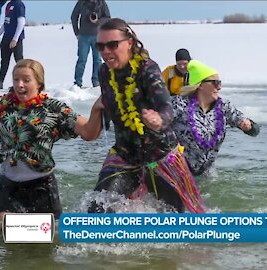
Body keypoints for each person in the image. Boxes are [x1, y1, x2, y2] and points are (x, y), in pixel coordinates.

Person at [88, 18, 205, 214]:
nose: (106, 51)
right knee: (97, 209)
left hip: (161, 156)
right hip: (125, 156)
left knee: (175, 216)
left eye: (112, 45)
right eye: (100, 46)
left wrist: (159, 120)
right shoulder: (104, 72)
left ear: (129, 43)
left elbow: (166, 107)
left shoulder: (147, 69)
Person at [0, 59, 104, 223]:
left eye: (26, 80)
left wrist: (97, 110)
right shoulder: (6, 105)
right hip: (7, 184)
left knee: (43, 238)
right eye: (16, 79)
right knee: (1, 224)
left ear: (39, 82)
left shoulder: (53, 109)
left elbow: (88, 133)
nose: (20, 85)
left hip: (41, 186)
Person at [171, 60, 260, 176]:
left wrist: (248, 126)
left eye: (220, 83)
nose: (219, 87)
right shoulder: (179, 104)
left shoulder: (224, 107)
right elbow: (156, 127)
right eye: (215, 83)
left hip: (208, 174)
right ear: (201, 85)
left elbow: (255, 132)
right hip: (178, 173)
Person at [71, 0, 110, 88]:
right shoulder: (82, 2)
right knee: (82, 60)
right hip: (83, 36)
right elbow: (74, 16)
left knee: (97, 60)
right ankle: (77, 83)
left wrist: (98, 21)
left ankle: (96, 81)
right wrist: (77, 32)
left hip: (98, 36)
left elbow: (108, 17)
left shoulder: (101, 3)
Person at [0, 0, 25, 90]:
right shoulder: (9, 5)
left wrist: (15, 39)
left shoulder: (19, 4)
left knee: (19, 62)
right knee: (4, 61)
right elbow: (6, 22)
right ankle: (0, 82)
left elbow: (21, 22)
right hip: (6, 38)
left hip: (15, 39)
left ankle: (23, 83)